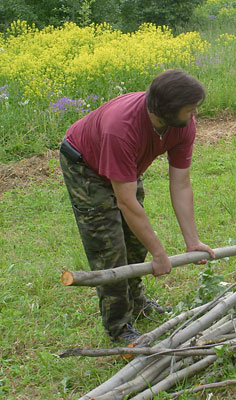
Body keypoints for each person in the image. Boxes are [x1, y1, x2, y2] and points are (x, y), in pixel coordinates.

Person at [59, 69, 215, 344]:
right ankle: (119, 327)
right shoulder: (121, 128)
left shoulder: (182, 125)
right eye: (190, 110)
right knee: (109, 249)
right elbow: (126, 202)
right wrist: (159, 253)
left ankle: (137, 302)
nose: (195, 116)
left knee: (134, 242)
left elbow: (180, 185)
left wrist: (193, 242)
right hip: (86, 167)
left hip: (124, 167)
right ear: (163, 111)